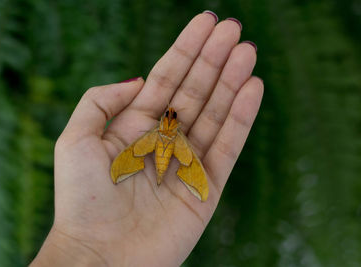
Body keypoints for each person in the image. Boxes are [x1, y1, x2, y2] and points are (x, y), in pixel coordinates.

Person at [30, 10, 263, 266]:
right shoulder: (177, 135)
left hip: (156, 147)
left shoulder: (156, 133)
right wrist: (83, 243)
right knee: (182, 162)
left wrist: (80, 244)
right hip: (168, 150)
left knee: (154, 159)